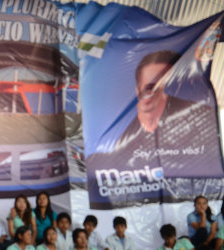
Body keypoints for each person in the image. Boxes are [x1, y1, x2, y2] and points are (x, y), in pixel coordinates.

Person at [89, 50, 222, 179]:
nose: (154, 94)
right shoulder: (122, 141)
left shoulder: (201, 119)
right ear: (137, 90)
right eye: (149, 88)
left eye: (165, 86)